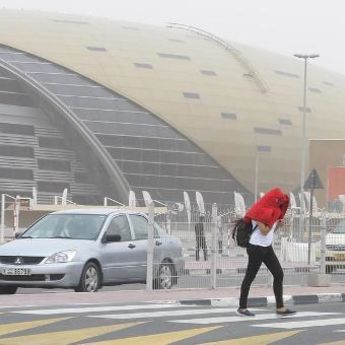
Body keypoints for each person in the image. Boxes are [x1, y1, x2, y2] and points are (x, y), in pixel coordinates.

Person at [237, 188, 296, 317]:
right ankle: (242, 308)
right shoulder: (259, 211)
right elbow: (264, 230)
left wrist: (278, 224)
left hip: (266, 247)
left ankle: (280, 308)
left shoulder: (273, 212)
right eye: (278, 201)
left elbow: (269, 232)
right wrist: (274, 219)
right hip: (256, 247)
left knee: (278, 274)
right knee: (250, 277)